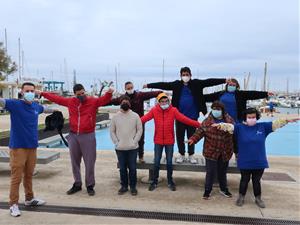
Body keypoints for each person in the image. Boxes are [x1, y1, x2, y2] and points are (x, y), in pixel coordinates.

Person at [213, 108, 299, 208]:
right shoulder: (239, 128)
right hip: (245, 161)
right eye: (249, 117)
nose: (251, 119)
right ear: (245, 118)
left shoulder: (263, 127)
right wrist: (220, 125)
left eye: (253, 117)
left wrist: (287, 120)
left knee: (256, 181)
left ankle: (258, 198)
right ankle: (241, 197)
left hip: (259, 161)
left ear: (256, 117)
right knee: (244, 180)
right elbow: (229, 127)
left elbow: (276, 123)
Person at [38, 84, 113, 196]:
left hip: (88, 135)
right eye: (79, 94)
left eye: (83, 93)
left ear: (85, 91)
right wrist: (42, 93)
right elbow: (57, 99)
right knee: (74, 162)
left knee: (90, 162)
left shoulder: (92, 101)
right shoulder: (71, 102)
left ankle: (90, 185)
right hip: (73, 135)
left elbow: (104, 100)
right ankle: (77, 184)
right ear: (75, 94)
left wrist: (109, 93)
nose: (82, 95)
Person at [143, 67, 228, 164]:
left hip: (192, 116)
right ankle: (182, 154)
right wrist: (148, 85)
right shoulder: (177, 84)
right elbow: (164, 84)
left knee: (192, 136)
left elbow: (209, 81)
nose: (185, 76)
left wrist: (224, 80)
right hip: (179, 116)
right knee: (180, 136)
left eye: (187, 74)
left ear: (190, 75)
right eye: (183, 75)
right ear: (180, 76)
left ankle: (191, 155)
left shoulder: (196, 83)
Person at [0, 82, 57, 217]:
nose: (30, 93)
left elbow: (47, 109)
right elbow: (2, 102)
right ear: (21, 92)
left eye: (32, 90)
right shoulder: (15, 104)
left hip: (32, 146)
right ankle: (13, 204)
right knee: (16, 177)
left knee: (29, 175)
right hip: (18, 147)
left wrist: (57, 110)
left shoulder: (36, 106)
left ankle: (29, 199)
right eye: (27, 91)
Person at [141, 93, 201, 191]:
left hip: (169, 141)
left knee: (169, 162)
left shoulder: (173, 111)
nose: (164, 103)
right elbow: (144, 119)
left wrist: (199, 124)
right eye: (162, 101)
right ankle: (154, 181)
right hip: (158, 141)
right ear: (159, 102)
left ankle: (170, 181)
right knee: (156, 162)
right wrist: (132, 122)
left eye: (166, 101)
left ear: (169, 102)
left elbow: (185, 120)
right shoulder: (154, 110)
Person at [188, 101, 235, 200]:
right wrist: (193, 139)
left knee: (222, 172)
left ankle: (224, 189)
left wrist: (226, 127)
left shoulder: (229, 120)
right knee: (210, 172)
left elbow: (235, 130)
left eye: (218, 109)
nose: (216, 111)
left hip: (225, 151)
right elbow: (199, 132)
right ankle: (207, 191)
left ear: (222, 110)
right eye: (214, 109)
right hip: (211, 151)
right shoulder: (207, 121)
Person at [107, 81, 162, 163]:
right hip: (127, 123)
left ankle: (141, 156)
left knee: (141, 139)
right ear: (125, 89)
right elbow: (111, 102)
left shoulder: (140, 95)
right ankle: (128, 157)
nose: (130, 89)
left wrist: (161, 93)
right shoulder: (123, 98)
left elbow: (151, 94)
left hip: (140, 121)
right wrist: (99, 103)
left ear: (133, 87)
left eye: (131, 88)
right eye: (128, 88)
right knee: (127, 139)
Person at [110, 96, 143, 196]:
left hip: (132, 148)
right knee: (122, 169)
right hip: (120, 148)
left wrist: (134, 141)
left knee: (132, 168)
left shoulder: (135, 116)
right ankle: (124, 186)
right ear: (120, 103)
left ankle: (133, 187)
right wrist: (116, 142)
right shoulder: (115, 117)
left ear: (129, 103)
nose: (125, 103)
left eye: (126, 102)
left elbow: (139, 130)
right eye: (123, 102)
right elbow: (112, 131)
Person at [204, 78, 273, 123]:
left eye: (233, 85)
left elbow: (253, 94)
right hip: (221, 120)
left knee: (235, 140)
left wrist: (266, 94)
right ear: (227, 85)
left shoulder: (241, 94)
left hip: (236, 120)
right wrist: (197, 97)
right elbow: (208, 97)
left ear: (236, 87)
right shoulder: (220, 94)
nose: (231, 86)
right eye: (230, 85)